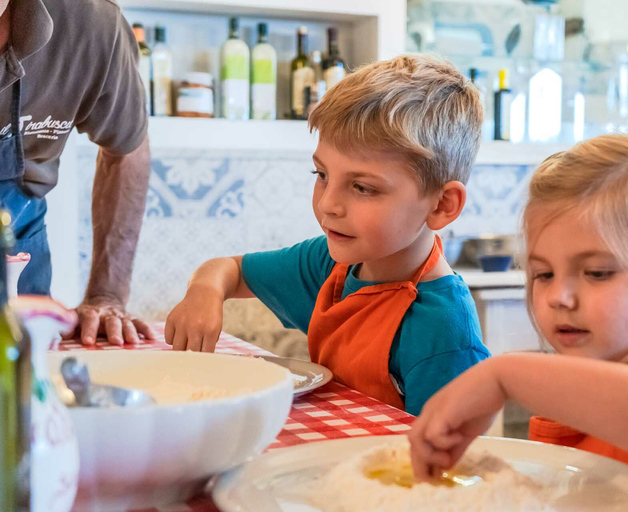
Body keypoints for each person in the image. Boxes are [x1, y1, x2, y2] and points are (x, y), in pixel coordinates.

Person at [409, 132, 628, 510]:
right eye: (543, 275)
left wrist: (506, 376)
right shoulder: (575, 386)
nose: (559, 297)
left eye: (597, 273)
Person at [165, 54, 491, 415]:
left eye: (363, 188)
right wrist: (205, 290)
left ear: (442, 205)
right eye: (321, 175)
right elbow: (230, 269)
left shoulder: (443, 335)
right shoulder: (328, 264)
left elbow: (441, 464)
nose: (328, 205)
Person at [0, 0, 154, 345]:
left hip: (17, 237)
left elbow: (126, 150)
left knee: (23, 385)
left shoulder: (91, 21)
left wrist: (107, 296)